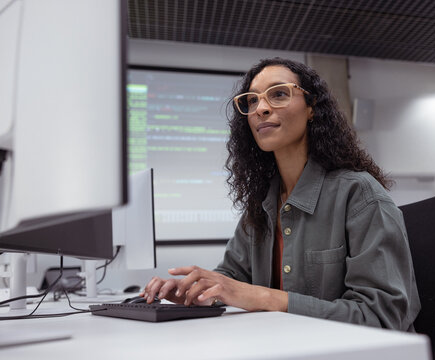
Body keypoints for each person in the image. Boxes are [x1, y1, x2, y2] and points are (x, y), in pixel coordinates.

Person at [141, 57, 420, 331]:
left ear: (312, 107)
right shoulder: (262, 204)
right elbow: (231, 277)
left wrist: (262, 296)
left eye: (278, 94)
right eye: (252, 100)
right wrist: (198, 291)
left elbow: (382, 317)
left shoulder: (359, 194)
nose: (261, 108)